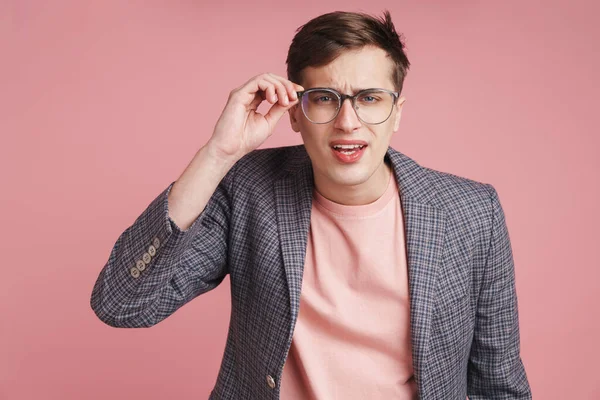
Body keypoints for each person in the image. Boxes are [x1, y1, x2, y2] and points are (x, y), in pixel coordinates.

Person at [90, 10, 532, 400]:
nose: (347, 122)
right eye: (325, 98)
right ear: (295, 114)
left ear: (397, 113)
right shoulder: (248, 188)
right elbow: (123, 304)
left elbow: (500, 384)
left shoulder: (472, 212)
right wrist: (218, 155)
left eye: (370, 98)